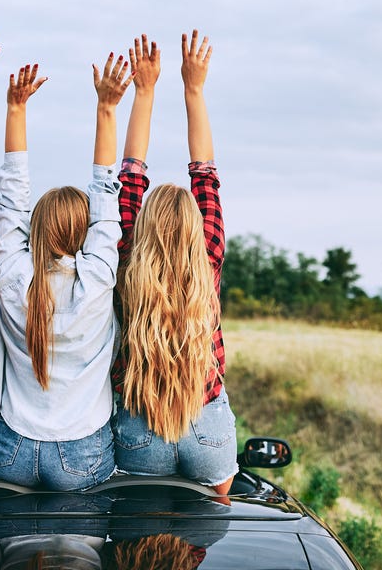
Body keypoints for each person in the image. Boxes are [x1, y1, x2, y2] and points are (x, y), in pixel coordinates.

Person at [0, 52, 132, 490]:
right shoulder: (100, 280)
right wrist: (107, 107)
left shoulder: (13, 279)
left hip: (11, 447)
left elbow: (11, 200)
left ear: (36, 232)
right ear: (86, 235)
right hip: (80, 452)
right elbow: (106, 195)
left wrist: (15, 108)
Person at [111, 31, 237, 495]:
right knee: (209, 525)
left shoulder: (126, 256)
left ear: (141, 227)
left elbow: (130, 172)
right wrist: (194, 89)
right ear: (195, 225)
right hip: (206, 426)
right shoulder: (208, 254)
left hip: (141, 429)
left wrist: (143, 91)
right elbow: (205, 171)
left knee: (137, 528)